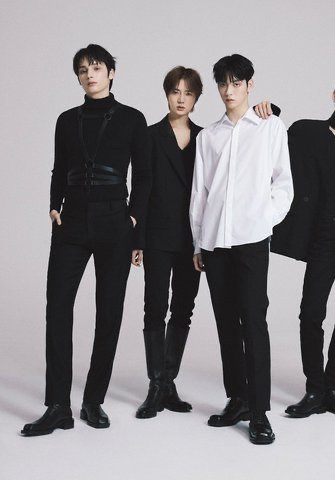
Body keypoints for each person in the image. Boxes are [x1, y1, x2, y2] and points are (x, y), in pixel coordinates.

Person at [21, 44, 151, 436]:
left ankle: (93, 400)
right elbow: (59, 168)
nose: (89, 74)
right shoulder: (66, 120)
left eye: (96, 67)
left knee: (109, 312)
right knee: (57, 308)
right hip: (72, 221)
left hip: (115, 221)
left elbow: (145, 177)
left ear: (111, 72)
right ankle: (58, 406)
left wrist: (133, 222)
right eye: (82, 70)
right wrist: (53, 205)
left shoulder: (132, 119)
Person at [189, 54, 293, 444]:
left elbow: (283, 183)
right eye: (223, 84)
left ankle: (260, 412)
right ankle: (237, 400)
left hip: (251, 239)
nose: (228, 91)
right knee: (226, 324)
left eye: (236, 83)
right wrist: (198, 242)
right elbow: (200, 193)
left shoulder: (269, 126)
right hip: (215, 242)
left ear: (250, 85)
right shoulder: (208, 136)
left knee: (253, 322)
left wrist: (264, 220)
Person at [270, 73, 335, 418]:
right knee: (312, 312)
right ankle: (314, 388)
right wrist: (267, 113)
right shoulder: (307, 132)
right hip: (324, 239)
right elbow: (273, 145)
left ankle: (332, 386)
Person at [131, 67, 203, 418]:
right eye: (175, 91)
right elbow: (141, 187)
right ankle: (155, 384)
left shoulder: (206, 138)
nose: (181, 98)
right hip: (158, 235)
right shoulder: (150, 136)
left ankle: (168, 382)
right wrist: (137, 239)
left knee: (184, 308)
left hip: (193, 239)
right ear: (167, 94)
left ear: (196, 98)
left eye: (188, 93)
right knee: (155, 307)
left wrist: (204, 243)